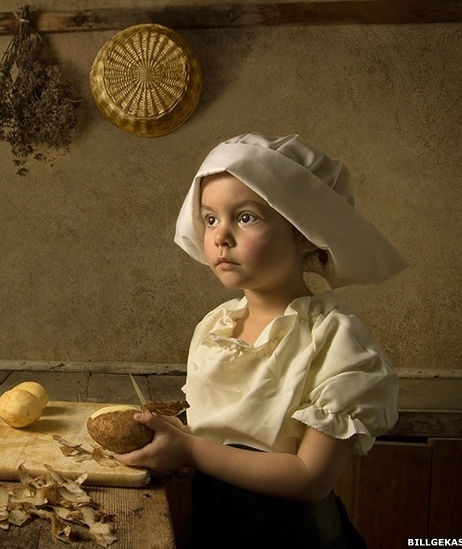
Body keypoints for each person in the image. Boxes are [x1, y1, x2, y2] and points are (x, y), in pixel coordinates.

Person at [113, 133, 408, 548]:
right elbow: (218, 429)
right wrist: (167, 435)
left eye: (246, 217)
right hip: (215, 533)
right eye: (211, 219)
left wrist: (190, 451)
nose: (220, 237)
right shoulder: (215, 328)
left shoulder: (337, 341)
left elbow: (310, 478)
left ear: (305, 232)